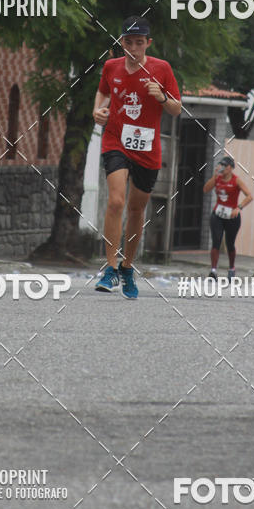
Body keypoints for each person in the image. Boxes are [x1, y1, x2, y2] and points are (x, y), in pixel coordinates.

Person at [92, 16, 181, 299]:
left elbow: (177, 108)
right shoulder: (111, 66)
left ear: (148, 43)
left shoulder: (162, 69)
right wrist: (97, 111)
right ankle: (109, 268)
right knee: (116, 201)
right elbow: (103, 92)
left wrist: (162, 98)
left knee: (135, 209)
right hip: (116, 140)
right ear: (122, 42)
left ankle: (127, 267)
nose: (133, 48)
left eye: (139, 42)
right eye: (128, 42)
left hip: (146, 147)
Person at [202, 156, 253, 281]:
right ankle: (213, 270)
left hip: (232, 216)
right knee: (216, 241)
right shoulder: (217, 178)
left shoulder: (236, 180)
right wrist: (214, 177)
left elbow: (249, 196)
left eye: (225, 166)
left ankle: (231, 268)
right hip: (218, 214)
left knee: (230, 243)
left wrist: (239, 208)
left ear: (231, 168)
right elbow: (205, 189)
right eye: (222, 165)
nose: (223, 168)